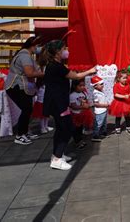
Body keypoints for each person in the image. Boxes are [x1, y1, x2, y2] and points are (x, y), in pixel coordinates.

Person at [40, 40, 95, 170]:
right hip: (57, 103)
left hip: (57, 102)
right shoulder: (56, 66)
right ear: (58, 52)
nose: (66, 51)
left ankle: (57, 155)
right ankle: (57, 158)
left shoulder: (55, 65)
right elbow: (75, 76)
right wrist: (91, 71)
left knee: (61, 128)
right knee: (66, 128)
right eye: (64, 49)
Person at [5, 36, 44, 145]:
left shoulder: (27, 55)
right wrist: (44, 74)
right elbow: (29, 73)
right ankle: (19, 135)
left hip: (22, 86)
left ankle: (25, 132)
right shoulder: (25, 56)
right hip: (17, 86)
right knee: (26, 109)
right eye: (39, 46)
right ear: (33, 46)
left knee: (27, 109)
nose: (39, 48)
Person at [69, 79, 93, 149]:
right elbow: (73, 106)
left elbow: (86, 101)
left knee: (80, 128)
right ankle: (77, 142)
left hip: (83, 114)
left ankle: (80, 140)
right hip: (76, 115)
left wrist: (87, 105)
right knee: (76, 129)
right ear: (74, 86)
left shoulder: (83, 93)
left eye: (83, 85)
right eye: (80, 86)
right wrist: (82, 106)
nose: (82, 87)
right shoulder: (72, 95)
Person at [109, 69, 130, 134]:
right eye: (123, 78)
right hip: (118, 103)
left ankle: (128, 127)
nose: (125, 79)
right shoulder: (116, 85)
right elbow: (116, 94)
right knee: (118, 116)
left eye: (126, 78)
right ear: (119, 78)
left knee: (127, 116)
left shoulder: (127, 85)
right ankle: (117, 127)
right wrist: (124, 96)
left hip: (126, 103)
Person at [91, 75, 109, 141]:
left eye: (103, 84)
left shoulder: (100, 91)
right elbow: (96, 104)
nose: (103, 85)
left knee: (103, 123)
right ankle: (95, 136)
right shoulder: (95, 93)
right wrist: (105, 105)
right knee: (98, 124)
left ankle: (102, 133)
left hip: (104, 110)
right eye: (101, 84)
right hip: (99, 111)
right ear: (95, 85)